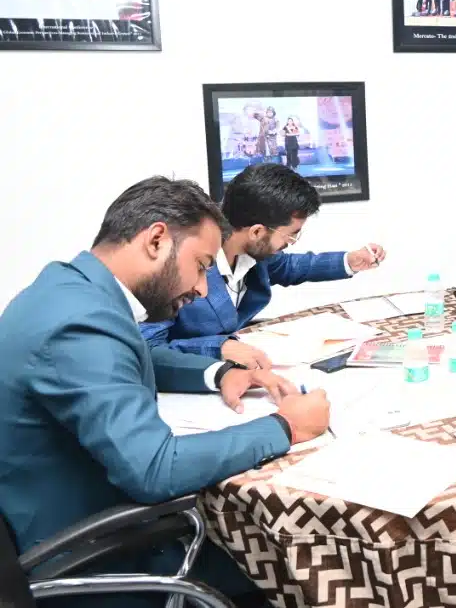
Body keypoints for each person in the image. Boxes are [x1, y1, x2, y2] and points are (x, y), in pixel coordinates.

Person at [0, 176, 331, 607]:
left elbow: (129, 358)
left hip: (71, 517)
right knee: (299, 563)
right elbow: (155, 470)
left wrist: (217, 373)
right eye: (201, 265)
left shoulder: (70, 291)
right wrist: (285, 427)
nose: (201, 289)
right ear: (156, 240)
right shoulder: (81, 326)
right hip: (98, 555)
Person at [141, 163, 386, 367]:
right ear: (257, 232)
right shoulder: (178, 267)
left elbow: (291, 267)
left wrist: (349, 261)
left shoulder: (254, 255)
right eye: (291, 235)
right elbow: (148, 349)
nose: (290, 243)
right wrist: (220, 348)